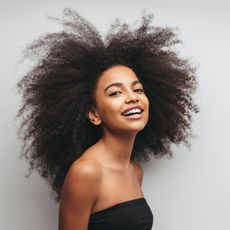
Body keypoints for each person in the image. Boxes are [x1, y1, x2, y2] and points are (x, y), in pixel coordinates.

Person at [16, 8, 199, 230]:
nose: (132, 98)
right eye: (115, 93)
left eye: (138, 90)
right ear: (94, 114)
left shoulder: (134, 172)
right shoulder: (86, 172)